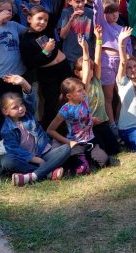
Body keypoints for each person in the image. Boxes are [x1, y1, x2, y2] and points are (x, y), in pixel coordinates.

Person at [46, 36, 111, 175]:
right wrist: (68, 142)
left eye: (83, 89)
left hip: (90, 140)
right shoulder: (65, 110)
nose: (83, 92)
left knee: (104, 161)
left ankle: (87, 157)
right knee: (83, 170)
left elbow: (87, 73)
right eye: (79, 91)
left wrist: (85, 49)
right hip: (75, 143)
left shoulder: (85, 99)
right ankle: (67, 164)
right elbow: (50, 130)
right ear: (69, 96)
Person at [0, 74, 70, 186]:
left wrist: (23, 82)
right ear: (5, 111)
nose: (21, 108)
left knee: (66, 148)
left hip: (43, 153)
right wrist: (35, 160)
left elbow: (30, 98)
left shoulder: (28, 115)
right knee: (7, 162)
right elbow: (15, 150)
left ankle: (33, 176)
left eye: (21, 104)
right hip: (27, 159)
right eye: (15, 107)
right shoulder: (6, 130)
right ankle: (48, 173)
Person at [89, 0, 131, 133]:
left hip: (121, 63)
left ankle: (121, 122)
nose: (113, 14)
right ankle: (112, 125)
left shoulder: (122, 28)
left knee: (122, 95)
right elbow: (97, 9)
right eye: (109, 12)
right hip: (106, 62)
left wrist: (128, 60)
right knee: (108, 97)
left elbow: (128, 49)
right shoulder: (102, 24)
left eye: (115, 12)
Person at [19, 6, 72, 130]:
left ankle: (71, 127)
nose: (43, 22)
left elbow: (55, 12)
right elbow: (30, 63)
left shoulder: (46, 30)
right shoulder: (26, 40)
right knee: (52, 103)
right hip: (48, 74)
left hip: (64, 68)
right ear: (29, 19)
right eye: (39, 19)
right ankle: (51, 132)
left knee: (70, 97)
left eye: (45, 20)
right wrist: (45, 51)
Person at [0, 0, 27, 138]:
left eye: (8, 10)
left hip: (17, 75)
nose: (5, 13)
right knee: (0, 107)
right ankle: (2, 138)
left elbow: (29, 31)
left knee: (18, 105)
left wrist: (28, 15)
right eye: (1, 10)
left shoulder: (14, 25)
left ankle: (19, 134)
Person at [72, 30, 120, 156]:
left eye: (92, 69)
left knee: (115, 150)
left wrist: (99, 39)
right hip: (90, 126)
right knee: (101, 151)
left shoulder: (96, 80)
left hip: (102, 122)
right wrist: (85, 49)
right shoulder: (83, 86)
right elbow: (87, 69)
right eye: (87, 69)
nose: (90, 71)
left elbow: (97, 60)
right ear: (77, 72)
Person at [57, 0, 94, 68]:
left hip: (87, 55)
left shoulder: (91, 13)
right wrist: (71, 19)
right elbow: (62, 35)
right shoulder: (66, 13)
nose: (80, 4)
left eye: (82, 1)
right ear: (70, 2)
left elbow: (94, 35)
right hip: (71, 57)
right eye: (77, 2)